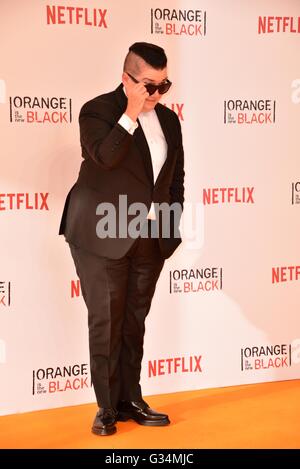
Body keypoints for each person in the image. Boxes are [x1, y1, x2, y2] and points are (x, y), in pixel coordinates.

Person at [59, 42, 185, 436]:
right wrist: (131, 112)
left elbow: (175, 178)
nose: (156, 95)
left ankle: (131, 398)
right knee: (107, 321)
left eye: (163, 86)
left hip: (149, 236)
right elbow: (105, 157)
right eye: (148, 85)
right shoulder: (97, 111)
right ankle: (106, 407)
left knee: (134, 322)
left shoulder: (169, 121)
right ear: (127, 79)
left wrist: (170, 227)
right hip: (100, 233)